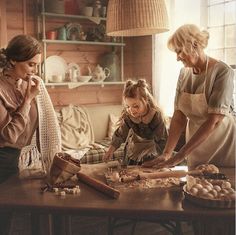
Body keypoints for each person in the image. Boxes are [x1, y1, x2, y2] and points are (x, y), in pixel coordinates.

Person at [143, 24, 236, 170]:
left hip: (223, 144)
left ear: (194, 45)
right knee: (195, 188)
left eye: (179, 51)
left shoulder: (223, 71)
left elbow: (214, 121)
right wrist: (167, 153)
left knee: (219, 189)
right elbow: (179, 116)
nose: (177, 58)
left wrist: (180, 156)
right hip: (196, 147)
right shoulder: (184, 73)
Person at [0, 34, 61, 183]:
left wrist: (49, 159)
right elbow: (9, 135)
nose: (34, 71)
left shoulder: (31, 84)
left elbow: (44, 125)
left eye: (37, 65)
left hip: (22, 157)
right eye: (31, 64)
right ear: (13, 60)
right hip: (3, 159)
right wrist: (27, 100)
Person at [103, 79, 168, 165]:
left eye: (135, 106)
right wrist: (110, 150)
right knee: (131, 174)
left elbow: (163, 140)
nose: (132, 110)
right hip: (133, 152)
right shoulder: (129, 116)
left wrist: (162, 159)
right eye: (128, 106)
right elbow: (120, 134)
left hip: (151, 153)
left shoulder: (155, 116)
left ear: (145, 100)